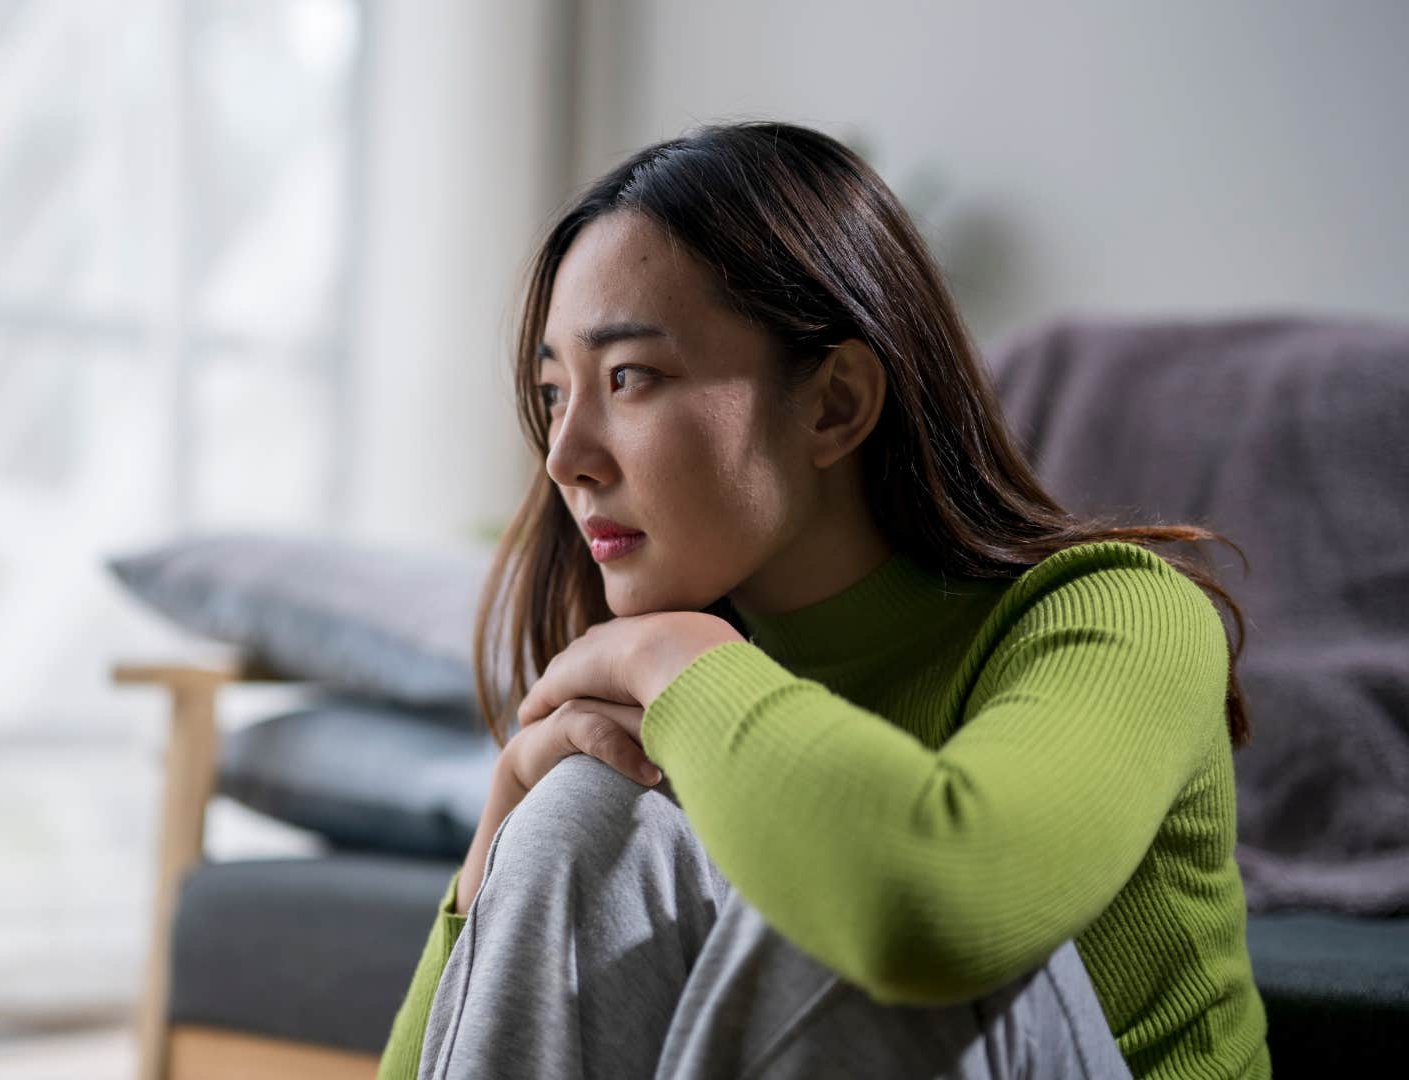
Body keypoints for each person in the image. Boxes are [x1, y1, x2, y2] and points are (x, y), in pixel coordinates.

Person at [375, 122, 1270, 1079]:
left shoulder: (1122, 617)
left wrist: (669, 659)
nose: (564, 458)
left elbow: (928, 910)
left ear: (835, 403)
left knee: (830, 882)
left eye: (630, 377)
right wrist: (496, 845)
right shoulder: (682, 713)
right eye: (556, 392)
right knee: (579, 814)